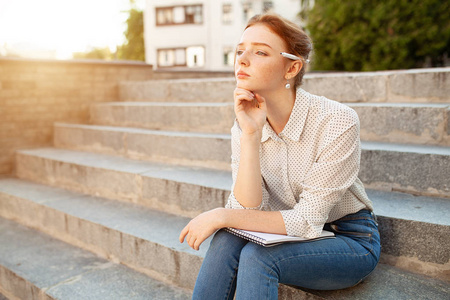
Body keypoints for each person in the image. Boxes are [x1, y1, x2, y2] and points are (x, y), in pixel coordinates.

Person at [179, 13, 380, 300]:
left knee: (257, 256)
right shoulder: (245, 122)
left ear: (291, 68)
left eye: (260, 51)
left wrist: (220, 214)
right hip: (284, 233)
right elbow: (247, 211)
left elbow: (306, 220)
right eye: (239, 51)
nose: (243, 59)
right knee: (227, 236)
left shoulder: (337, 120)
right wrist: (250, 135)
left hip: (347, 238)